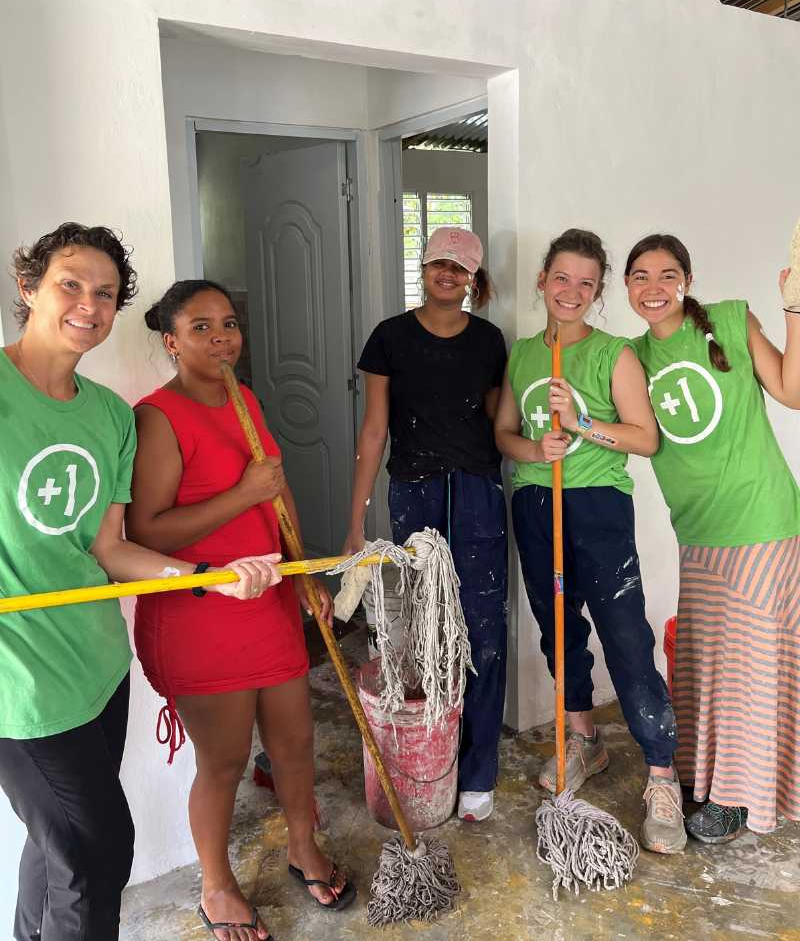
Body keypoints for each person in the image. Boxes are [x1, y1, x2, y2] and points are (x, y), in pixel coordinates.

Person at [0, 224, 281, 941]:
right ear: (29, 287)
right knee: (98, 854)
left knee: (57, 847)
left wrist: (207, 578)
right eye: (70, 283)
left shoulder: (106, 416)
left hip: (95, 665)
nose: (88, 305)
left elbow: (113, 548)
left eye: (104, 293)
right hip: (18, 683)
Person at [126, 280, 354, 941]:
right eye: (201, 327)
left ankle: (302, 848)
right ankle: (217, 886)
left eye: (228, 324)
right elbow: (148, 532)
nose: (221, 337)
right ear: (170, 341)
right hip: (200, 612)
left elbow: (273, 499)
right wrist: (242, 491)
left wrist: (302, 570)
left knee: (296, 741)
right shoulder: (157, 416)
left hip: (269, 598)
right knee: (223, 763)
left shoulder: (244, 398)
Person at [495, 228, 684, 853]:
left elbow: (645, 438)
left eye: (585, 282)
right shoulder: (523, 354)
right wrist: (535, 447)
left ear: (597, 291)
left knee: (625, 631)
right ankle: (584, 738)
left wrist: (580, 426)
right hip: (533, 499)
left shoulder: (612, 355)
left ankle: (661, 772)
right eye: (561, 278)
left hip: (597, 505)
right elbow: (505, 434)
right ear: (542, 281)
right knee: (559, 627)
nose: (570, 291)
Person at [625, 233, 800, 844]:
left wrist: (795, 308)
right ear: (625, 288)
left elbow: (792, 391)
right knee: (706, 664)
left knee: (753, 669)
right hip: (697, 528)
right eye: (640, 276)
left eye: (667, 274)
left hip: (761, 518)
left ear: (688, 280)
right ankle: (711, 778)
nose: (654, 288)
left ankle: (739, 799)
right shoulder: (631, 357)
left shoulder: (728, 319)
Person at [344, 226, 508, 823]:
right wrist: (357, 522)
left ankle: (478, 769)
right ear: (424, 267)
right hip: (413, 492)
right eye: (439, 262)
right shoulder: (390, 338)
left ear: (473, 278)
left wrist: (544, 436)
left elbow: (500, 420)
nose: (448, 273)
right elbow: (373, 430)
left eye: (460, 267)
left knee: (484, 633)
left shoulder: (489, 341)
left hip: (478, 493)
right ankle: (430, 752)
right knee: (422, 628)